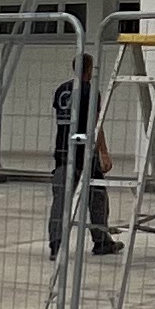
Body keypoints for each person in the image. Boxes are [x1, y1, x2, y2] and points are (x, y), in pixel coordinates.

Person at [48, 53, 120, 258]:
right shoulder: (90, 91)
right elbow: (95, 125)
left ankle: (56, 244)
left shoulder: (62, 90)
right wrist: (103, 152)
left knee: (60, 201)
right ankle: (101, 240)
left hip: (63, 150)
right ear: (90, 68)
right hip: (84, 151)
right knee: (97, 198)